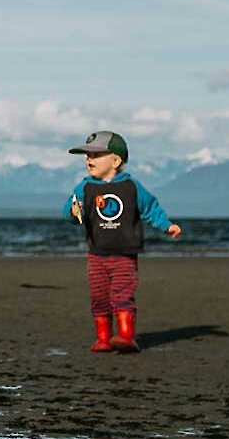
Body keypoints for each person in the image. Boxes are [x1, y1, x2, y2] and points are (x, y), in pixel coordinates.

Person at [66, 131, 181, 353]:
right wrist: (73, 212)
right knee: (99, 298)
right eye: (86, 155)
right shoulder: (85, 187)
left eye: (96, 155)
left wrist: (167, 225)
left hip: (124, 254)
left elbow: (150, 208)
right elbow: (70, 210)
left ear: (116, 160)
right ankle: (103, 338)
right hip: (96, 255)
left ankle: (126, 336)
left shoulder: (131, 186)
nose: (89, 159)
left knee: (122, 294)